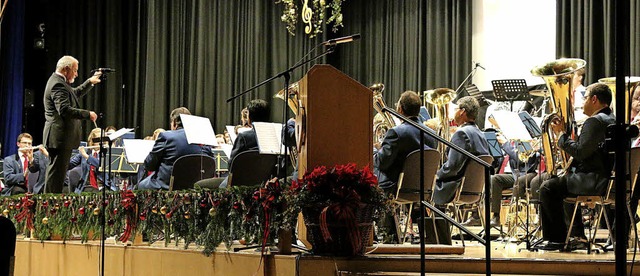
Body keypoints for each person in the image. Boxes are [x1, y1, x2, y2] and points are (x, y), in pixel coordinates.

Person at [538, 83, 615, 251]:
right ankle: (575, 234)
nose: (582, 102)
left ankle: (557, 239)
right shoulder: (612, 119)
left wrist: (561, 135)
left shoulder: (594, 121)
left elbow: (580, 152)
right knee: (561, 182)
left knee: (547, 188)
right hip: (607, 179)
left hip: (594, 180)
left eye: (585, 97)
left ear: (594, 99)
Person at [43, 56, 102, 193]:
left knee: (57, 176)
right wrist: (87, 114)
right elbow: (64, 110)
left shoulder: (59, 82)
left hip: (60, 138)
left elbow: (73, 94)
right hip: (59, 137)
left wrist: (89, 82)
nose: (76, 74)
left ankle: (51, 206)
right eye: (75, 71)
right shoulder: (58, 84)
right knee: (55, 178)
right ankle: (50, 208)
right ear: (66, 69)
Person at [374, 91, 438, 192]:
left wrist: (376, 150)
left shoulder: (396, 132)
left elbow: (382, 163)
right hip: (422, 188)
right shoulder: (433, 134)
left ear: (400, 109)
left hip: (395, 187)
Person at [432, 96, 490, 205]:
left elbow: (452, 167)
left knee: (421, 186)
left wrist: (436, 175)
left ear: (462, 112)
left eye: (455, 109)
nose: (454, 113)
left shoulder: (461, 133)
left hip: (455, 187)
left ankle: (432, 221)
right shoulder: (480, 134)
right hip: (475, 189)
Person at [137, 107, 213, 190]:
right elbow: (210, 164)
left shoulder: (166, 136)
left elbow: (150, 165)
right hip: (196, 186)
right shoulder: (203, 138)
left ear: (174, 123)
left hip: (167, 186)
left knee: (140, 185)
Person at [67, 128, 118, 193]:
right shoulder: (85, 152)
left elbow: (100, 165)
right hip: (86, 186)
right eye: (98, 140)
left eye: (103, 140)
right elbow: (69, 165)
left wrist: (86, 156)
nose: (101, 142)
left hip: (104, 187)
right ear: (92, 141)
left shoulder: (106, 152)